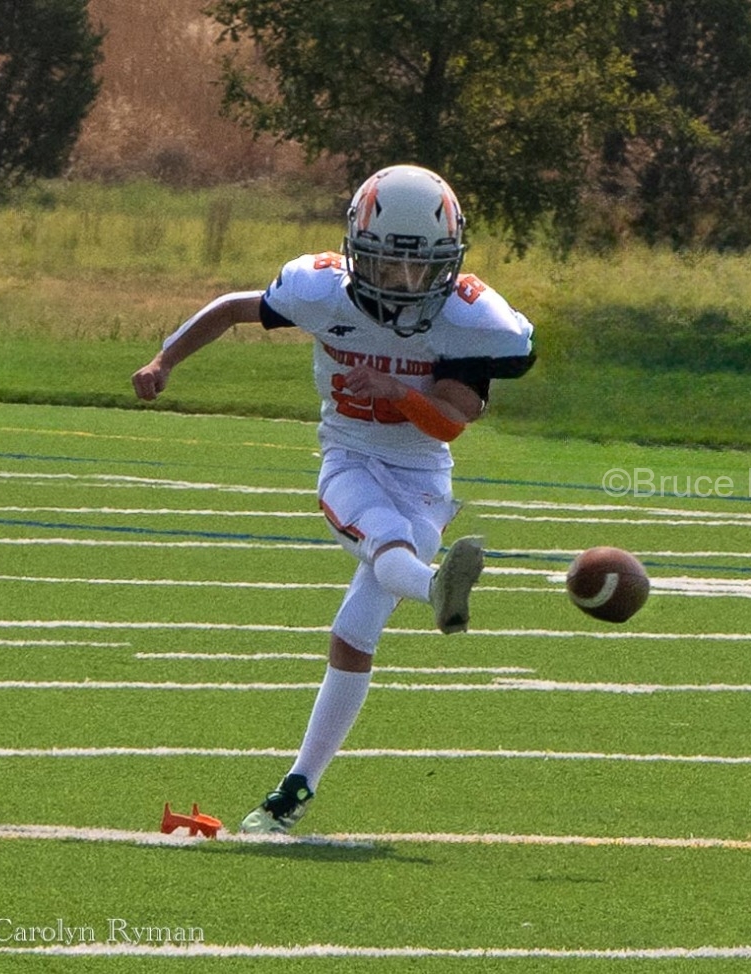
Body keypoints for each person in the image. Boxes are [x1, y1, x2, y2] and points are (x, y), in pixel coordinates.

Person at [132, 164, 536, 834]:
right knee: (384, 545)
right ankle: (435, 589)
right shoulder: (320, 290)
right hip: (349, 458)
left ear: (449, 261)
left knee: (354, 633)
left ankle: (293, 791)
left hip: (424, 477)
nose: (403, 282)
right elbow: (233, 308)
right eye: (386, 264)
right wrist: (164, 359)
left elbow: (449, 423)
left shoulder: (473, 320)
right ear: (355, 250)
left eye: (420, 267)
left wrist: (399, 392)